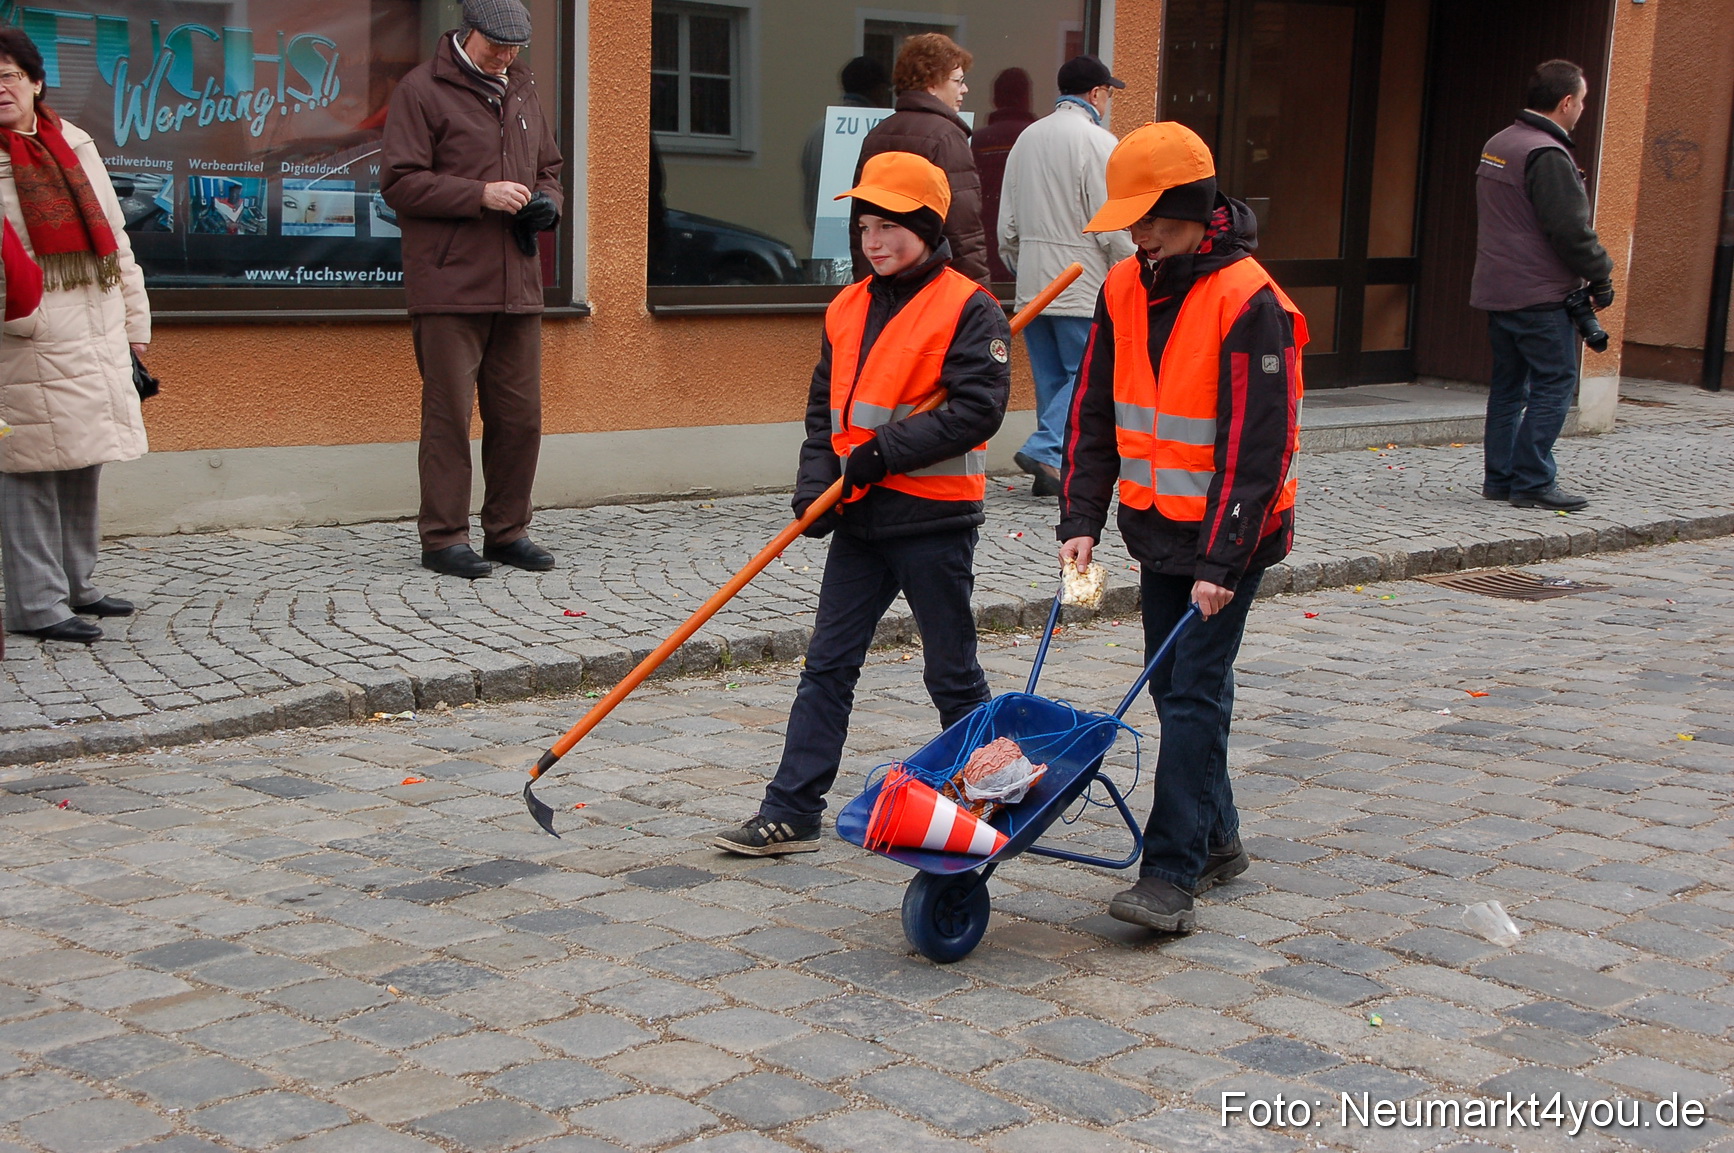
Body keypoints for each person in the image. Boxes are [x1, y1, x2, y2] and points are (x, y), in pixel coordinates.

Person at [715, 152, 1011, 855]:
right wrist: (816, 478)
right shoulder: (847, 305)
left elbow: (976, 411)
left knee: (951, 669)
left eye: (890, 227)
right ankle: (791, 808)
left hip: (932, 519)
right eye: (865, 227)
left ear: (927, 227)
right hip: (860, 516)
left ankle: (995, 791)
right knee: (828, 663)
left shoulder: (969, 306)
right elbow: (826, 405)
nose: (874, 242)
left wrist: (886, 450)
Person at [1058, 123, 1306, 932]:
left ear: (1196, 212)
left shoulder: (1249, 301)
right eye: (1132, 222)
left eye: (1153, 219)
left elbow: (1255, 448)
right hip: (1159, 527)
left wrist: (1223, 560)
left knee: (1192, 690)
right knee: (1178, 687)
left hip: (1232, 537)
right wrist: (1081, 517)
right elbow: (1094, 409)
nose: (1139, 235)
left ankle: (1170, 873)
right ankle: (1221, 837)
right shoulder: (1125, 287)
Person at [383, 0, 564, 579]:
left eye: (516, 48)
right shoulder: (421, 89)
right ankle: (443, 538)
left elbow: (549, 170)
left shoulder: (524, 87)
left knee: (520, 418)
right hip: (449, 283)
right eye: (497, 46)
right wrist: (479, 195)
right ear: (469, 33)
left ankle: (507, 532)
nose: (507, 57)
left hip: (518, 279)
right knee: (449, 417)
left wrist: (548, 206)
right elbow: (400, 182)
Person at [0, 26, 151, 645]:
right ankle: (37, 603)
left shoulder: (74, 143)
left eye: (8, 75)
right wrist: (21, 312)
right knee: (28, 464)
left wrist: (135, 324)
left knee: (82, 458)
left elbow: (115, 239)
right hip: (24, 336)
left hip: (93, 325)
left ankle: (78, 583)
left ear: (35, 82)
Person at [1470, 59, 1613, 513]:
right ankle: (1533, 480)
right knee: (1556, 382)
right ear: (1566, 101)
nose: (1583, 109)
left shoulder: (1500, 143)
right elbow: (1569, 229)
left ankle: (1501, 478)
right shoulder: (1546, 153)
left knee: (1509, 387)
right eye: (1583, 101)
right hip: (1540, 292)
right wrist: (1601, 272)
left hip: (1498, 286)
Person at [999, 55, 1136, 497]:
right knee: (1085, 373)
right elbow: (1111, 221)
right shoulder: (1099, 142)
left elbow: (1007, 226)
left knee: (1051, 379)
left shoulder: (1026, 139)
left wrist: (1019, 264)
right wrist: (1133, 262)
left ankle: (1054, 466)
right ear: (1096, 93)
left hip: (1033, 279)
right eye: (1108, 93)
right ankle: (1046, 449)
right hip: (1082, 277)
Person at [851, 33, 989, 287]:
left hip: (884, 289)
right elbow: (963, 232)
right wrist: (979, 299)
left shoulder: (877, 135)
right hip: (933, 289)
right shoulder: (946, 137)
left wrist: (866, 290)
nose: (964, 89)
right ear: (932, 83)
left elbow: (860, 224)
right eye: (958, 81)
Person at [802, 57, 891, 239]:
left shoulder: (821, 129)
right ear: (879, 90)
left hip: (824, 239)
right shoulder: (876, 133)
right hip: (859, 243)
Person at [970, 67, 1035, 282]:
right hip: (1031, 259)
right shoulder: (1038, 142)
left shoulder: (976, 142)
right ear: (1027, 98)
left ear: (995, 99)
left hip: (984, 252)